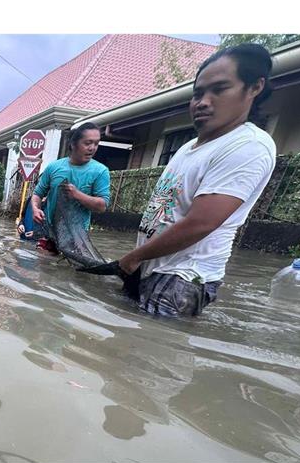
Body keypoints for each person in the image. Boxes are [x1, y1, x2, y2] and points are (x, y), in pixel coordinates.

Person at [114, 43, 276, 317]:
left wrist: (135, 257)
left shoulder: (248, 146)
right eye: (198, 93)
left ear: (254, 88)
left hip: (183, 278)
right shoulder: (188, 147)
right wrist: (139, 260)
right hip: (151, 268)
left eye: (219, 89)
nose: (203, 102)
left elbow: (201, 223)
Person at [30, 122, 111, 251]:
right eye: (88, 143)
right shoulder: (54, 167)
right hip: (49, 232)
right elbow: (38, 194)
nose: (92, 148)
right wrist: (35, 209)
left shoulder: (100, 171)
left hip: (77, 236)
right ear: (73, 144)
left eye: (96, 143)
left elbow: (102, 206)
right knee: (43, 268)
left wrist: (77, 195)